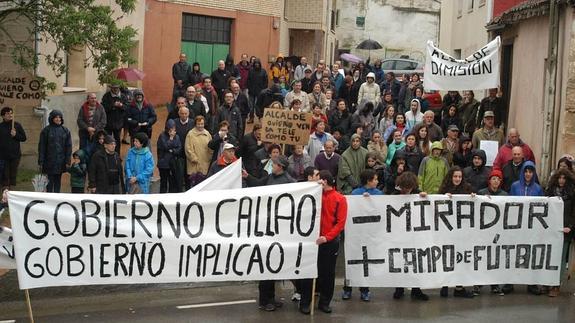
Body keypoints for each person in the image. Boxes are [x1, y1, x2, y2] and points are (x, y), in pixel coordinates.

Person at [242, 155, 295, 312]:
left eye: (274, 164)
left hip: (280, 228)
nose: (272, 166)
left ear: (281, 166)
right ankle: (264, 300)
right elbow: (259, 186)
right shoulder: (270, 177)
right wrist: (248, 177)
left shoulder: (289, 181)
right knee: (265, 266)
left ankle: (270, 298)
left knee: (273, 266)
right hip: (267, 227)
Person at [299, 170, 347, 315]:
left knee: (327, 273)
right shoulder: (314, 195)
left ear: (324, 181)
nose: (316, 181)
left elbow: (340, 223)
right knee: (308, 272)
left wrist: (327, 237)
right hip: (312, 240)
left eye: (318, 179)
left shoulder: (340, 199)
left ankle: (324, 302)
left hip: (328, 241)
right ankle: (305, 302)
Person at [342, 169, 382, 301]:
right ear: (368, 181)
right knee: (352, 261)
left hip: (370, 234)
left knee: (366, 262)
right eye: (375, 179)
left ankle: (365, 289)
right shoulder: (355, 193)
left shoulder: (379, 194)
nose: (377, 181)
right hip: (356, 234)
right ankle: (347, 288)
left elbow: (382, 210)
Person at [391, 171, 430, 300]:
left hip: (414, 234)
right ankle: (399, 288)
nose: (407, 191)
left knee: (415, 261)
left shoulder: (416, 192)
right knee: (400, 260)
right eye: (405, 189)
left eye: (409, 189)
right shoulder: (393, 194)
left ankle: (416, 289)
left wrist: (424, 196)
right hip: (399, 234)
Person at [438, 166, 475, 298]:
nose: (457, 179)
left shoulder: (467, 189)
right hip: (447, 230)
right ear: (450, 177)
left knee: (461, 257)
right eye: (455, 176)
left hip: (462, 230)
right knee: (447, 257)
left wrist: (474, 198)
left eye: (459, 177)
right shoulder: (443, 189)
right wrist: (443, 197)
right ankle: (445, 285)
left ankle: (459, 287)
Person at [509, 160, 544, 295]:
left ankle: (532, 283)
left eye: (530, 172)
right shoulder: (515, 186)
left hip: (531, 227)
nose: (528, 174)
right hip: (516, 226)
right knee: (513, 253)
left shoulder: (538, 188)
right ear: (522, 173)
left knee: (531, 253)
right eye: (526, 171)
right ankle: (509, 281)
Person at [545, 168, 575, 297]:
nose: (561, 181)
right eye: (559, 178)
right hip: (551, 229)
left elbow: (574, 212)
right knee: (550, 256)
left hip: (565, 230)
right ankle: (548, 282)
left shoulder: (572, 193)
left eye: (564, 178)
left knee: (561, 258)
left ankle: (556, 284)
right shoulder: (550, 192)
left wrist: (570, 226)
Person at [38, 110, 72, 193]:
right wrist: (41, 160)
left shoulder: (65, 130)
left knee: (58, 181)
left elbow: (68, 146)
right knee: (49, 181)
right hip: (49, 160)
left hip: (60, 160)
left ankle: (57, 196)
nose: (58, 119)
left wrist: (68, 160)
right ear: (52, 118)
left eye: (59, 117)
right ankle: (49, 196)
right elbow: (42, 146)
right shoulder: (46, 131)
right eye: (56, 117)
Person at [0, 107, 26, 190]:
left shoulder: (17, 125)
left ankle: (12, 194)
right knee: (5, 176)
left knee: (12, 175)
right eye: (7, 113)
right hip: (3, 156)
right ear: (3, 116)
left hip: (15, 155)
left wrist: (15, 135)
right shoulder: (1, 127)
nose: (10, 115)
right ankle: (4, 196)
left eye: (11, 113)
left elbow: (24, 138)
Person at [185, 115, 213, 187]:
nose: (200, 126)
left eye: (202, 124)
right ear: (195, 124)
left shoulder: (207, 134)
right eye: (198, 124)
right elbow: (188, 149)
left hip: (205, 164)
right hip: (194, 165)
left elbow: (211, 147)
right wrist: (194, 158)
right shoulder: (190, 134)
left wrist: (210, 157)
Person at [157, 119, 182, 193]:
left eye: (174, 129)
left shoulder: (177, 136)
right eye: (170, 129)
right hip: (163, 163)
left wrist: (173, 150)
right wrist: (171, 139)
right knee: (164, 182)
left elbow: (179, 148)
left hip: (173, 163)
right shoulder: (162, 136)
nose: (172, 131)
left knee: (172, 182)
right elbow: (165, 146)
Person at [101, 84, 128, 153]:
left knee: (117, 140)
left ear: (119, 88)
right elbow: (104, 108)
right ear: (111, 88)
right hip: (108, 122)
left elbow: (127, 107)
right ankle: (107, 153)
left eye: (117, 88)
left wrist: (121, 106)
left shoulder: (123, 96)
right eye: (114, 88)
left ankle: (117, 155)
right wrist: (113, 106)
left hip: (118, 122)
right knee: (107, 139)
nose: (115, 89)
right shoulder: (106, 96)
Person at [247, 58, 269, 122]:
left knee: (258, 106)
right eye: (255, 63)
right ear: (254, 64)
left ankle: (260, 117)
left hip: (260, 92)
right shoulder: (251, 71)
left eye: (258, 63)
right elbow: (248, 80)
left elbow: (266, 81)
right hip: (251, 92)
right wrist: (249, 88)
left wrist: (263, 90)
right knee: (251, 106)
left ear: (260, 64)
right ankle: (251, 118)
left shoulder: (263, 71)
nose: (257, 64)